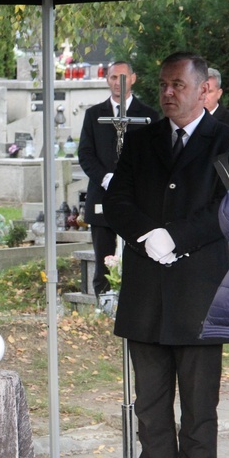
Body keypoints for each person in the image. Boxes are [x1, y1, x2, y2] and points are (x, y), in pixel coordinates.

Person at [103, 51, 229, 458]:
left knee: (199, 411)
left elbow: (226, 207)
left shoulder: (224, 139)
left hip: (199, 298)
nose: (168, 93)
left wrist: (176, 236)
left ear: (203, 89)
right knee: (151, 409)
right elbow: (116, 201)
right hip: (147, 297)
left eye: (178, 85)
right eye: (162, 85)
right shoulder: (142, 141)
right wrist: (145, 235)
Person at [77, 61, 158, 296]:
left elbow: (154, 156)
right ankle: (103, 299)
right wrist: (106, 178)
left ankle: (135, 298)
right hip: (102, 194)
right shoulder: (94, 115)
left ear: (133, 78)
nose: (117, 83)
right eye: (113, 77)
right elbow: (85, 153)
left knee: (137, 250)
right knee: (103, 253)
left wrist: (130, 180)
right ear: (107, 80)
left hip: (136, 197)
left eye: (122, 77)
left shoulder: (148, 115)